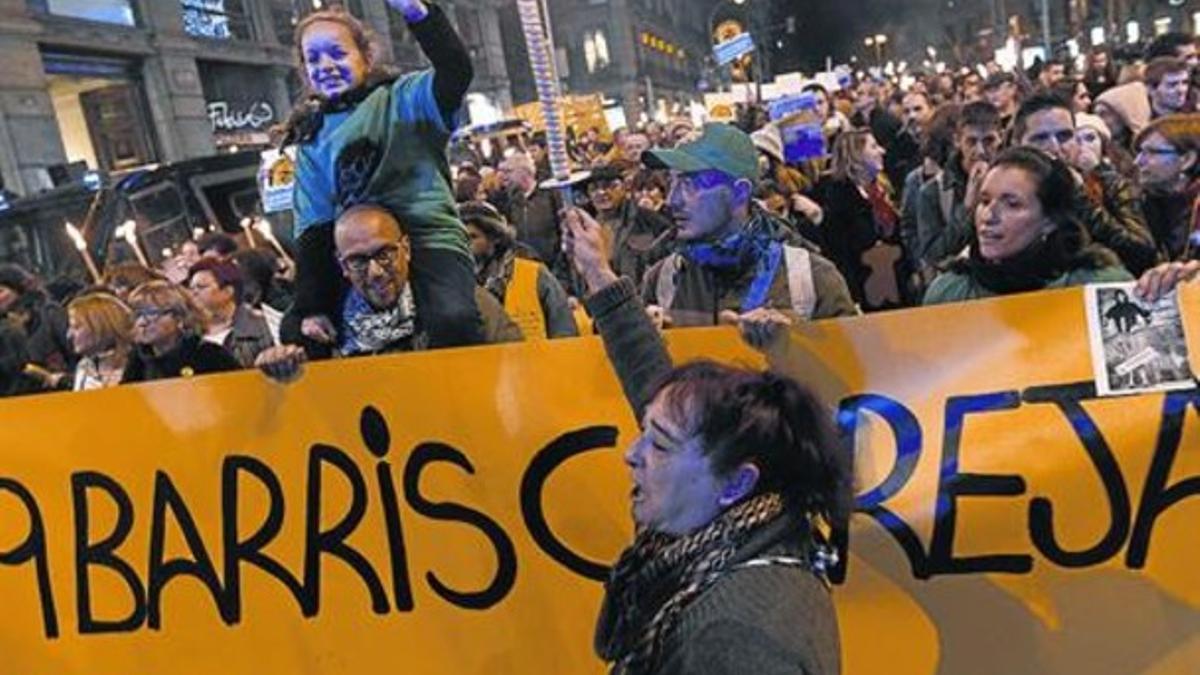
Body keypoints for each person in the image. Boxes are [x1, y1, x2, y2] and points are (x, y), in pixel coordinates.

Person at [560, 201, 850, 675]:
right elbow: (652, 382)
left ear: (736, 483)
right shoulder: (749, 527)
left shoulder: (737, 643)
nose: (632, 456)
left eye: (659, 445)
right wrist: (598, 273)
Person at [279, 0, 484, 353]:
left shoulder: (404, 98)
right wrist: (312, 308)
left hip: (428, 237)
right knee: (301, 333)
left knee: (454, 319)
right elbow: (314, 228)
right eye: (314, 60)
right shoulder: (311, 139)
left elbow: (455, 71)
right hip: (357, 254)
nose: (326, 66)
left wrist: (418, 13)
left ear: (366, 57)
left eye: (337, 54)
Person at [257, 204, 521, 381]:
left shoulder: (465, 305)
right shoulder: (323, 334)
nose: (375, 272)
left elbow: (518, 371)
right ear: (342, 266)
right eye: (358, 261)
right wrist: (280, 368)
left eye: (384, 254)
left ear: (405, 248)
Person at [636, 123, 856, 328]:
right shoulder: (661, 280)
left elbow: (859, 363)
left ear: (740, 192)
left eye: (691, 184)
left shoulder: (811, 278)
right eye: (671, 182)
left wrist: (797, 342)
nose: (672, 199)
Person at [923, 147, 1132, 305]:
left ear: (1050, 221)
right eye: (984, 201)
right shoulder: (949, 292)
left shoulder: (1100, 287)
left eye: (1012, 204)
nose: (988, 216)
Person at [1012, 92, 1157, 275]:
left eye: (1065, 136)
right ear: (1018, 144)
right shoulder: (1004, 194)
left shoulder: (1108, 185)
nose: (1055, 147)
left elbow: (1142, 254)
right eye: (1040, 139)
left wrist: (1081, 198)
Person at [812, 130, 904, 311]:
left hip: (894, 288)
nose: (882, 151)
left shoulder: (881, 191)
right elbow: (840, 257)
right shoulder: (840, 202)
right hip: (866, 296)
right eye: (874, 146)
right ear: (856, 155)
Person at [460, 200, 578, 339]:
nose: (464, 244)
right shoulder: (453, 284)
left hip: (538, 358)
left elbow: (564, 331)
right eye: (458, 238)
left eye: (472, 237)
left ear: (495, 238)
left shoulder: (534, 274)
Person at [916, 101, 1003, 269]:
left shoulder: (1018, 181)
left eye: (988, 141)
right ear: (957, 140)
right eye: (971, 142)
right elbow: (933, 256)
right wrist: (966, 208)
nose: (980, 151)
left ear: (1000, 137)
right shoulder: (933, 191)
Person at [122, 280, 240, 383]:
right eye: (137, 315)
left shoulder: (209, 355)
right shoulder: (137, 362)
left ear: (178, 317)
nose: (142, 322)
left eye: (151, 313)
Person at [586, 164, 674, 287]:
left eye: (609, 186)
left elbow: (670, 253)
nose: (601, 192)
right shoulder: (585, 227)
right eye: (594, 188)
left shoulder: (646, 219)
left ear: (624, 187)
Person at [186, 258, 277, 368]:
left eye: (201, 287)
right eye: (191, 288)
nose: (193, 293)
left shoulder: (262, 326)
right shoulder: (188, 335)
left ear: (228, 291)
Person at [1135, 114, 1200, 261]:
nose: (1137, 161)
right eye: (1139, 152)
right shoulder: (1144, 201)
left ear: (1187, 160)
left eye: (1151, 152)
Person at [0, 263, 72, 375]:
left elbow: (73, 351)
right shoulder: (4, 329)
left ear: (18, 288)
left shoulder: (49, 313)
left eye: (1, 291)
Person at [499, 150, 562, 268]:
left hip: (554, 266)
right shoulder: (512, 202)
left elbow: (562, 230)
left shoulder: (550, 194)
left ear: (524, 171)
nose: (503, 177)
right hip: (528, 267)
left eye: (508, 172)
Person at [65, 292, 133, 391]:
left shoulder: (137, 365)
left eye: (76, 327)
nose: (69, 335)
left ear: (101, 326)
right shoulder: (84, 366)